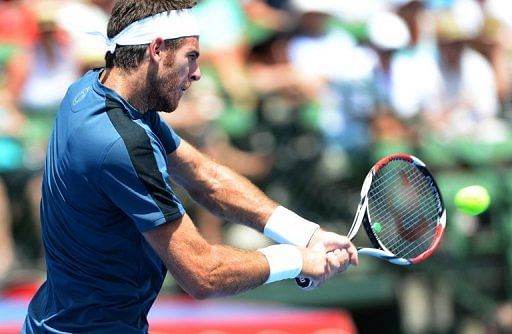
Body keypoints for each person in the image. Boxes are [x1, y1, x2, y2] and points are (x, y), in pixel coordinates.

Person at [22, 0, 359, 333]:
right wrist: (297, 260)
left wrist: (306, 234)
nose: (197, 73)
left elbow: (203, 176)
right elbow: (203, 273)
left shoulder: (92, 91)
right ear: (156, 50)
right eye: (191, 57)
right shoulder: (120, 143)